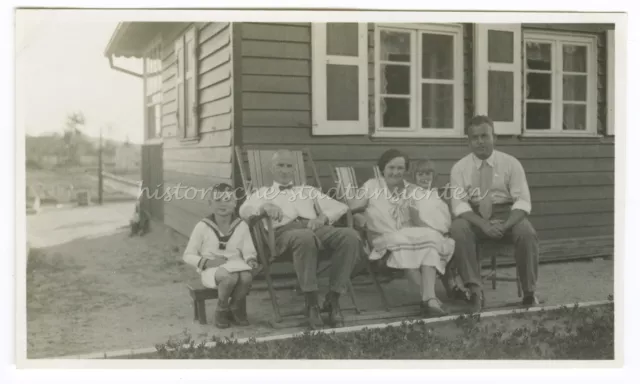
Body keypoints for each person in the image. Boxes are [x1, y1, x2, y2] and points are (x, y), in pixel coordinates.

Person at [238, 149, 360, 329]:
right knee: (304, 237)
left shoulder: (308, 190)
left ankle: (333, 300)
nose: (285, 170)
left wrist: (322, 218)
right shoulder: (262, 192)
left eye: (289, 166)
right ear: (272, 169)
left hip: (314, 228)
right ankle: (311, 304)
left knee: (350, 236)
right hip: (283, 235)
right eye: (280, 165)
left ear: (294, 170)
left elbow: (340, 207)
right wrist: (264, 207)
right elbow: (244, 210)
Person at [449, 115, 539, 313]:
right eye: (475, 138)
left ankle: (529, 292)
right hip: (475, 216)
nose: (480, 141)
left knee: (526, 232)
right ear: (468, 141)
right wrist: (484, 225)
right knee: (458, 228)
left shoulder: (510, 163)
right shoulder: (459, 168)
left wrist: (504, 226)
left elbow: (523, 202)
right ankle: (475, 291)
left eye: (484, 136)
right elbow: (459, 205)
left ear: (494, 137)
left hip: (506, 213)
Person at [349, 150, 455, 317]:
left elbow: (427, 211)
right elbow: (352, 208)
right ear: (383, 168)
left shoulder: (410, 189)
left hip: (407, 234)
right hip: (381, 237)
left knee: (431, 238)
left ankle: (429, 299)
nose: (396, 172)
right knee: (408, 243)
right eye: (391, 167)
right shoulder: (372, 185)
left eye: (400, 168)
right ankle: (429, 298)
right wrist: (359, 218)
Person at [183, 183, 259, 329]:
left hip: (235, 264)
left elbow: (249, 250)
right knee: (229, 277)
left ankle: (235, 307)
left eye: (228, 200)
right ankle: (221, 309)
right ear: (210, 203)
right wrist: (207, 263)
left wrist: (251, 259)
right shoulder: (203, 226)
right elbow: (188, 255)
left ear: (235, 203)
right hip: (213, 269)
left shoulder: (241, 225)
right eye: (218, 200)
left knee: (246, 276)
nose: (223, 204)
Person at [410, 160, 469, 301]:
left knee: (458, 244)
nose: (424, 177)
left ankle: (458, 286)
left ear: (434, 176)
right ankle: (437, 292)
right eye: (420, 174)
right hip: (423, 233)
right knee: (439, 247)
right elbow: (416, 219)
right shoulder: (412, 195)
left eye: (428, 173)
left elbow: (444, 217)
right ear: (414, 177)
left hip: (442, 234)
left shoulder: (435, 195)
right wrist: (435, 232)